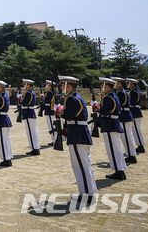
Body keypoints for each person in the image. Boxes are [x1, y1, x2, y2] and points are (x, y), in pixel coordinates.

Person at [57, 75, 98, 205]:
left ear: (70, 86)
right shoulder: (74, 98)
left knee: (81, 165)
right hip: (78, 133)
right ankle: (86, 192)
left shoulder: (72, 99)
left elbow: (68, 115)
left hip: (77, 134)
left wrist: (59, 112)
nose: (63, 87)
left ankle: (88, 194)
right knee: (83, 164)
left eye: (65, 85)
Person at [98, 77, 127, 180]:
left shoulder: (108, 98)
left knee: (113, 149)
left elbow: (105, 112)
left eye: (102, 85)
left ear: (107, 86)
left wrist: (98, 110)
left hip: (110, 125)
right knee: (116, 148)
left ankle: (119, 171)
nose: (101, 87)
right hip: (113, 124)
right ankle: (120, 170)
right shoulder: (112, 96)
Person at [112, 77, 137, 164]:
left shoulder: (122, 93)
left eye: (116, 82)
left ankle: (131, 156)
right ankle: (130, 154)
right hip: (124, 116)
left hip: (125, 116)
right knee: (126, 137)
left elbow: (119, 104)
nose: (114, 84)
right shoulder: (120, 92)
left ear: (120, 84)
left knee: (127, 137)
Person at [20, 79, 41, 156]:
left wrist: (21, 101)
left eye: (25, 84)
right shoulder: (30, 93)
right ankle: (35, 147)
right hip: (30, 113)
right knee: (33, 131)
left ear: (29, 85)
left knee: (31, 132)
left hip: (28, 113)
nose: (24, 86)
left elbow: (24, 103)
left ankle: (35, 149)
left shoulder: (29, 93)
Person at [127, 78, 146, 154]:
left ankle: (141, 146)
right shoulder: (134, 91)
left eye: (129, 83)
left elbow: (132, 102)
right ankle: (140, 145)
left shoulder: (134, 92)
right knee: (136, 130)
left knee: (136, 130)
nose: (128, 85)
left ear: (132, 84)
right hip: (136, 112)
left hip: (135, 112)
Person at [42, 80, 58, 146]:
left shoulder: (50, 93)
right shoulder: (52, 93)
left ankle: (55, 140)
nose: (46, 86)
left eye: (48, 84)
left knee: (51, 126)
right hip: (50, 111)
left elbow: (48, 103)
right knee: (52, 126)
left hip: (49, 112)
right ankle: (54, 139)